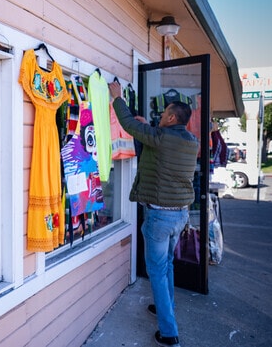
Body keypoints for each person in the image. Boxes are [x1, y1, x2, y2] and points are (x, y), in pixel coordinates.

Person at [109, 80, 199, 347]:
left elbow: (129, 126)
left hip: (160, 218)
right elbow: (148, 134)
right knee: (167, 265)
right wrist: (145, 126)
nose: (160, 116)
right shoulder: (189, 141)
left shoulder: (161, 138)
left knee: (158, 271)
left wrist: (117, 98)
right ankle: (164, 307)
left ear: (171, 117)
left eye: (164, 113)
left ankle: (169, 333)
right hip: (180, 215)